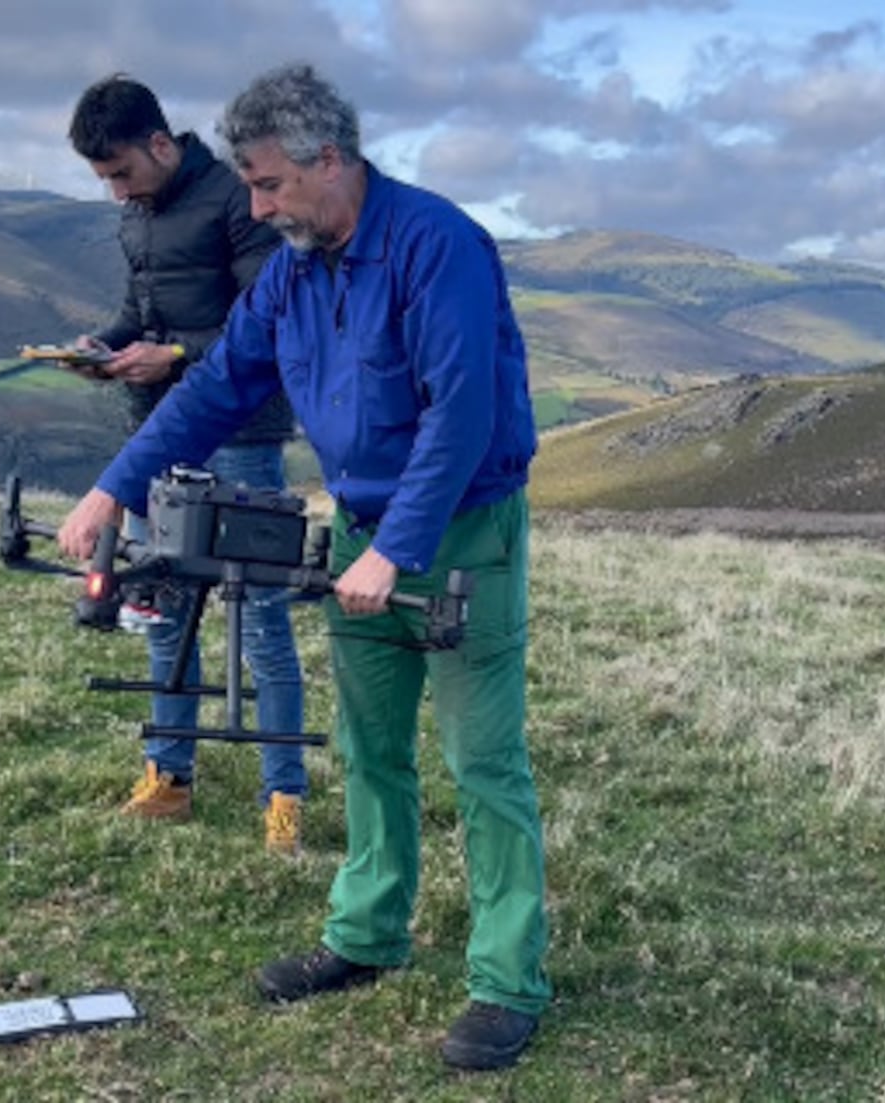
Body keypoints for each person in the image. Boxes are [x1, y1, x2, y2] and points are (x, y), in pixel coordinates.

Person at [58, 63, 549, 1073]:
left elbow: (462, 417)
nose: (255, 204)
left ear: (331, 159)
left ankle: (507, 979)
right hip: (366, 526)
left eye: (270, 183)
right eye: (247, 184)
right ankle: (366, 933)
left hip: (459, 531)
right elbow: (217, 387)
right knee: (372, 748)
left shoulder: (435, 245)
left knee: (482, 761)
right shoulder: (290, 269)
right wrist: (113, 486)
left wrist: (396, 549)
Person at [66, 75, 307, 854]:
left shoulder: (242, 201)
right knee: (160, 608)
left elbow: (259, 328)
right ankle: (168, 777)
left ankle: (284, 797)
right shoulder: (137, 217)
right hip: (159, 432)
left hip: (239, 431)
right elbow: (143, 317)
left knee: (260, 619)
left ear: (161, 144)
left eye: (122, 174)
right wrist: (104, 348)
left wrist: (168, 354)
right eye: (103, 181)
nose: (115, 193)